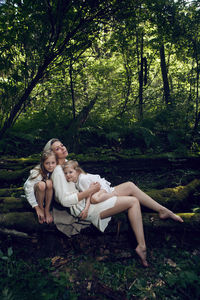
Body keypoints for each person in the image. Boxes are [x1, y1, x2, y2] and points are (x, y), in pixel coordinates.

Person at [44, 138, 184, 267]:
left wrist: (93, 190)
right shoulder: (57, 171)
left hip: (90, 199)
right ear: (53, 154)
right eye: (57, 148)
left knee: (129, 185)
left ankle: (162, 210)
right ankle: (142, 246)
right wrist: (90, 192)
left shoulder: (67, 164)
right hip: (88, 209)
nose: (62, 148)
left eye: (62, 145)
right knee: (133, 202)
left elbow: (82, 185)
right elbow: (64, 201)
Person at [24, 150, 56, 224]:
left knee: (49, 182)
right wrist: (36, 207)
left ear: (56, 162)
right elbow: (28, 188)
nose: (50, 166)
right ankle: (41, 208)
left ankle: (47, 210)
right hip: (37, 194)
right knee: (42, 184)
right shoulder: (37, 172)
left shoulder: (56, 169)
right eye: (47, 163)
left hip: (47, 194)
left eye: (53, 163)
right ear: (43, 163)